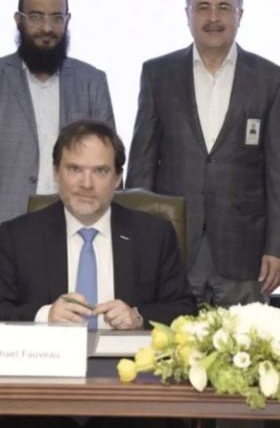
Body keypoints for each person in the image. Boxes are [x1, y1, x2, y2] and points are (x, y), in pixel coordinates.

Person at [126, 0, 280, 307]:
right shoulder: (158, 74)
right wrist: (138, 242)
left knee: (244, 341)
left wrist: (278, 247)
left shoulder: (271, 79)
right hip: (172, 247)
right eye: (203, 7)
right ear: (187, 14)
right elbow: (141, 166)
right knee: (168, 339)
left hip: (245, 252)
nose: (213, 18)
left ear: (240, 15)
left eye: (224, 7)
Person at [0, 119, 197, 327]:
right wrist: (45, 315)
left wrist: (138, 316)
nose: (86, 184)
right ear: (56, 173)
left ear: (117, 178)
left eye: (100, 171)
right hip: (48, 349)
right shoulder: (16, 237)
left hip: (127, 349)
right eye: (74, 169)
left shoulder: (154, 235)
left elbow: (184, 308)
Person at [0, 0, 115, 224]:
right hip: (7, 222)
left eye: (56, 18)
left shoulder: (92, 81)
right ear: (18, 20)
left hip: (76, 223)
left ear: (67, 20)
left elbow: (110, 161)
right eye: (36, 17)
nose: (47, 28)